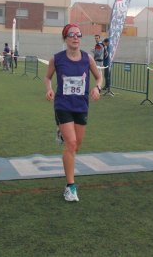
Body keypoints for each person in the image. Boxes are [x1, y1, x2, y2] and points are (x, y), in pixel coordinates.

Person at [44, 24, 102, 202]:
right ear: (65, 38)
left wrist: (97, 88)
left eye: (78, 35)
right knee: (71, 143)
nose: (75, 38)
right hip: (62, 105)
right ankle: (70, 187)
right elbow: (47, 77)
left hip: (81, 106)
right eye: (71, 35)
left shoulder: (88, 58)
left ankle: (63, 131)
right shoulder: (57, 59)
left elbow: (99, 76)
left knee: (77, 145)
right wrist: (49, 89)